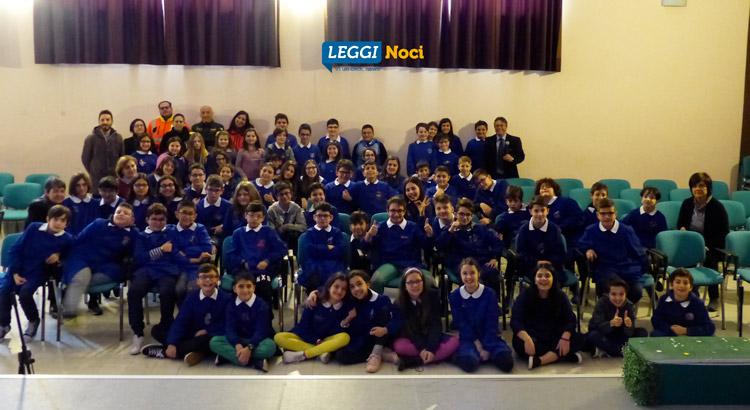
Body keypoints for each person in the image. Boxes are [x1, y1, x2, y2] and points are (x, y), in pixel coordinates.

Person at [0, 205, 74, 341]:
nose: (58, 223)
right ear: (48, 219)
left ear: (66, 224)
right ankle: (4, 324)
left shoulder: (67, 239)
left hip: (38, 272)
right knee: (3, 291)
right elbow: (16, 250)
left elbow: (69, 258)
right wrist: (15, 273)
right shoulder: (34, 228)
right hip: (18, 268)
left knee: (25, 293)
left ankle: (33, 320)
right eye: (55, 219)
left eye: (62, 220)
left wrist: (59, 256)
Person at [142, 263, 229, 366]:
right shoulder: (192, 297)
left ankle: (166, 352)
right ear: (198, 281)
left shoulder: (225, 298)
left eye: (211, 277)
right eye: (203, 277)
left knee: (207, 340)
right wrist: (172, 343)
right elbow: (181, 321)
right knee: (157, 330)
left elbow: (227, 324)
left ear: (218, 279)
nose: (208, 280)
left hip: (210, 335)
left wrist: (207, 330)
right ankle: (187, 350)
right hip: (192, 333)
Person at [62, 203, 138, 316]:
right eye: (118, 212)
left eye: (125, 213)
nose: (121, 214)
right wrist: (59, 250)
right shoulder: (99, 223)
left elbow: (136, 251)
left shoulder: (133, 233)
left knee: (111, 275)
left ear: (132, 220)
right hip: (83, 257)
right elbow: (78, 238)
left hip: (107, 263)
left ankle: (71, 289)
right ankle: (69, 311)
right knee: (81, 277)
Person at [127, 203, 181, 354]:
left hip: (167, 270)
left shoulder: (172, 231)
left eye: (161, 219)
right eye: (154, 219)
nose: (157, 222)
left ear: (166, 220)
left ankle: (166, 326)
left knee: (168, 292)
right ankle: (138, 332)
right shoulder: (141, 235)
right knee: (133, 292)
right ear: (147, 220)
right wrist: (162, 249)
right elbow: (140, 257)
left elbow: (175, 252)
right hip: (146, 270)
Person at [511, 261, 584, 370]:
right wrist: (527, 339)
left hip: (554, 335)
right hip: (533, 336)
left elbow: (571, 320)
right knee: (518, 342)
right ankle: (563, 355)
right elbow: (515, 321)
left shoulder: (560, 295)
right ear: (534, 279)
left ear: (553, 278)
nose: (543, 279)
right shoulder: (525, 295)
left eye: (547, 276)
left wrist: (565, 337)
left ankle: (540, 360)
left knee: (579, 338)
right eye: (539, 276)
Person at [450, 258, 513, 373]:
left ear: (479, 274)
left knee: (507, 363)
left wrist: (487, 347)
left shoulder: (489, 293)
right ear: (460, 275)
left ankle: (488, 354)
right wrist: (478, 345)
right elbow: (461, 323)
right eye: (465, 273)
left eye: (472, 273)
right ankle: (477, 355)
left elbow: (492, 322)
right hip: (469, 338)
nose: (469, 277)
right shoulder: (455, 296)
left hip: (489, 336)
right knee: (469, 364)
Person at [580, 198, 648, 304]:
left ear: (615, 214)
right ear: (598, 215)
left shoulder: (626, 231)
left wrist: (642, 270)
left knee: (637, 292)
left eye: (610, 213)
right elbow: (581, 244)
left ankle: (623, 311)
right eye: (603, 214)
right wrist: (588, 249)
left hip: (628, 269)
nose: (607, 217)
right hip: (605, 269)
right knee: (613, 291)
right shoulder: (591, 230)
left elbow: (639, 252)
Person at [677, 172, 728, 311]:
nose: (697, 189)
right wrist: (682, 228)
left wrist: (705, 246)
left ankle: (714, 297)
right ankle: (691, 294)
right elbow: (681, 222)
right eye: (694, 186)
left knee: (710, 262)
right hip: (690, 243)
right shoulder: (687, 203)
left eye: (701, 186)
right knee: (686, 263)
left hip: (711, 245)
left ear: (708, 188)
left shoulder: (716, 206)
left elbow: (723, 232)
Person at [275, 273, 353, 364]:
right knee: (279, 337)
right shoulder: (315, 300)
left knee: (345, 337)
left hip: (327, 339)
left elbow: (335, 332)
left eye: (343, 289)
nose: (339, 291)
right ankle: (321, 352)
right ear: (329, 287)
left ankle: (304, 354)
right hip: (307, 337)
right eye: (336, 286)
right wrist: (317, 341)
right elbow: (304, 327)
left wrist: (346, 321)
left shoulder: (346, 307)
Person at [393, 268, 458, 370]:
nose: (415, 285)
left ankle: (412, 361)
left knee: (454, 342)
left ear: (423, 282)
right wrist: (423, 347)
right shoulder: (399, 303)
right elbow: (409, 330)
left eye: (418, 281)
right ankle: (438, 357)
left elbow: (436, 323)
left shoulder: (433, 295)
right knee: (399, 346)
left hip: (430, 334)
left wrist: (430, 348)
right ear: (404, 286)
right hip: (413, 337)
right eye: (410, 282)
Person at [366, 197, 435, 293]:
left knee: (431, 282)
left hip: (412, 264)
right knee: (375, 281)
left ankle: (420, 303)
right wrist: (369, 234)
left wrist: (429, 235)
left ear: (404, 211)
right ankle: (380, 302)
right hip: (389, 264)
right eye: (393, 210)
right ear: (387, 211)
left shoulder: (413, 227)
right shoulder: (380, 227)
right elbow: (366, 247)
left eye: (400, 211)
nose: (396, 214)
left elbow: (425, 246)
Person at [335, 271, 400, 372]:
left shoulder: (382, 300)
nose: (356, 289)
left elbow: (397, 319)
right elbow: (328, 293)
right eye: (352, 287)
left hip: (379, 338)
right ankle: (381, 354)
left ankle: (376, 353)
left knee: (384, 311)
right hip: (360, 340)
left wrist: (386, 329)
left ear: (368, 284)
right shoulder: (349, 302)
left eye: (359, 284)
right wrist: (348, 319)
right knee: (340, 356)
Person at [226, 201, 288, 308]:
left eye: (258, 216)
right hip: (243, 270)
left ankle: (265, 316)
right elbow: (231, 255)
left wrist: (267, 261)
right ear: (246, 215)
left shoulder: (268, 231)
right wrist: (243, 262)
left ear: (263, 218)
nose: (255, 219)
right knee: (240, 288)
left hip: (263, 270)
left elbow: (282, 249)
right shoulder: (238, 233)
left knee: (263, 288)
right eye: (251, 215)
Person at [210, 272, 276, 371]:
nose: (245, 290)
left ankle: (229, 357)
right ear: (235, 289)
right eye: (241, 286)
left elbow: (261, 331)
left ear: (254, 288)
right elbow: (230, 329)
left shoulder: (262, 305)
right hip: (239, 340)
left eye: (248, 286)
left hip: (257, 342)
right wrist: (238, 346)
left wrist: (249, 348)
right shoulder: (231, 305)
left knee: (270, 347)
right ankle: (255, 362)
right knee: (214, 342)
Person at [436, 198, 503, 294]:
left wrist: (494, 257)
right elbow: (440, 246)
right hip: (460, 264)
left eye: (468, 215)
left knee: (492, 274)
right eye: (461, 214)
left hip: (481, 262)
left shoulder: (480, 228)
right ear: (455, 214)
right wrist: (450, 230)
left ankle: (492, 300)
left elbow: (496, 241)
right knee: (468, 276)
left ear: (472, 216)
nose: (464, 217)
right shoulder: (449, 230)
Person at [587, 278, 648, 357]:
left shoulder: (628, 305)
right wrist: (611, 324)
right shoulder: (601, 303)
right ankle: (618, 351)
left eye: (621, 294)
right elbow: (597, 327)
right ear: (608, 294)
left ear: (625, 294)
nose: (618, 298)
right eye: (613, 294)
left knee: (642, 332)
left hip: (620, 336)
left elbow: (629, 334)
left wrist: (628, 326)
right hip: (606, 335)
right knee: (593, 335)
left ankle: (614, 350)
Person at [514, 195, 567, 286]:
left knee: (555, 282)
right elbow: (521, 253)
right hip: (531, 267)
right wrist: (536, 263)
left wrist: (548, 263)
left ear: (547, 211)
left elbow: (560, 253)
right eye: (536, 211)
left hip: (552, 267)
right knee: (537, 282)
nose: (540, 214)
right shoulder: (524, 230)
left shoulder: (554, 229)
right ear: (530, 211)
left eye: (542, 210)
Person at [651, 268, 715, 337]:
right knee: (655, 335)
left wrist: (686, 331)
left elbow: (709, 327)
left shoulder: (697, 304)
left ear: (690, 287)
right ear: (671, 285)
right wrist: (672, 330)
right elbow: (656, 320)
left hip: (690, 335)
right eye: (678, 282)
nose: (681, 286)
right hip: (669, 332)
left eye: (685, 283)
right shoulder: (664, 299)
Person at [297, 202, 347, 290]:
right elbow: (310, 250)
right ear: (314, 217)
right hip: (314, 264)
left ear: (331, 217)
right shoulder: (310, 233)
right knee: (314, 275)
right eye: (319, 216)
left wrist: (319, 249)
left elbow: (340, 251)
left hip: (333, 263)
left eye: (326, 216)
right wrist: (328, 248)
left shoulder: (336, 232)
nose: (323, 218)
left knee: (336, 276)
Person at [172, 200, 214, 304]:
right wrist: (196, 254)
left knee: (193, 288)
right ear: (177, 214)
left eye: (190, 213)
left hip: (198, 267)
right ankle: (183, 312)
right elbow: (174, 252)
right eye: (184, 213)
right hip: (180, 267)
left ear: (195, 216)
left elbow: (207, 249)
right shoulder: (172, 230)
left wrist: (183, 252)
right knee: (179, 289)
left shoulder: (200, 229)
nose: (187, 216)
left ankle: (193, 312)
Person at [82, 110, 123, 191]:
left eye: (107, 120)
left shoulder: (118, 138)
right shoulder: (91, 138)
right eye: (102, 120)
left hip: (114, 177)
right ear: (99, 121)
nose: (105, 122)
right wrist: (94, 171)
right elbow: (85, 158)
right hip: (96, 179)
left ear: (112, 121)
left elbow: (121, 157)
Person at [266, 181, 307, 251]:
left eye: (286, 193)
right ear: (276, 196)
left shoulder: (296, 208)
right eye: (281, 194)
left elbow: (303, 227)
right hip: (277, 239)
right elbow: (271, 230)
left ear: (291, 194)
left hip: (294, 239)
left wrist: (286, 227)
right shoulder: (272, 210)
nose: (284, 197)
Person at [196, 175, 231, 241]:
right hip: (202, 238)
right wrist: (212, 231)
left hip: (223, 239)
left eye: (217, 190)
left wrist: (223, 227)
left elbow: (230, 224)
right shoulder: (198, 206)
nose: (213, 193)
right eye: (211, 190)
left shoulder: (228, 206)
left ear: (222, 191)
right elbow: (197, 226)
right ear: (206, 189)